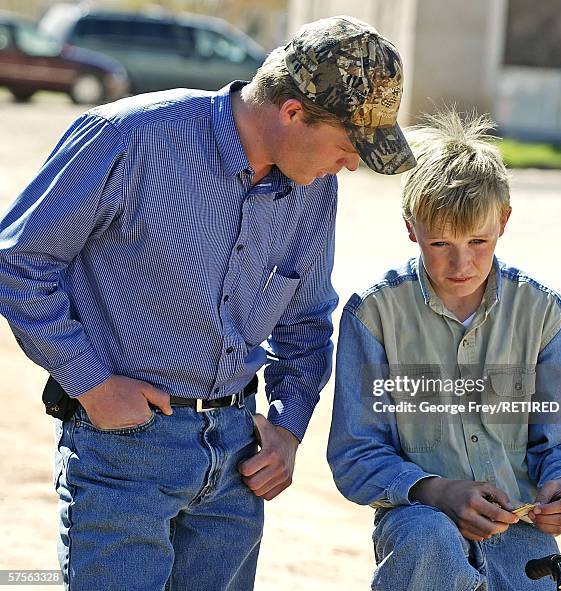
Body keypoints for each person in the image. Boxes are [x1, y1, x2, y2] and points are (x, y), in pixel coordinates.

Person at [0, 16, 415, 591]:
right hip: (126, 450)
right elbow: (21, 261)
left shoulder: (315, 184)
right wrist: (90, 381)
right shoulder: (128, 138)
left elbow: (306, 315)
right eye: (348, 147)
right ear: (292, 112)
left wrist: (290, 424)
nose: (350, 165)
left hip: (237, 463)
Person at [327, 110, 561, 591]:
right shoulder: (372, 316)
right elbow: (356, 453)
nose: (462, 263)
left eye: (478, 240)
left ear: (504, 221)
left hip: (520, 536)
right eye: (441, 243)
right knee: (428, 535)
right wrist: (437, 491)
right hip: (419, 529)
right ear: (411, 228)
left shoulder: (545, 314)